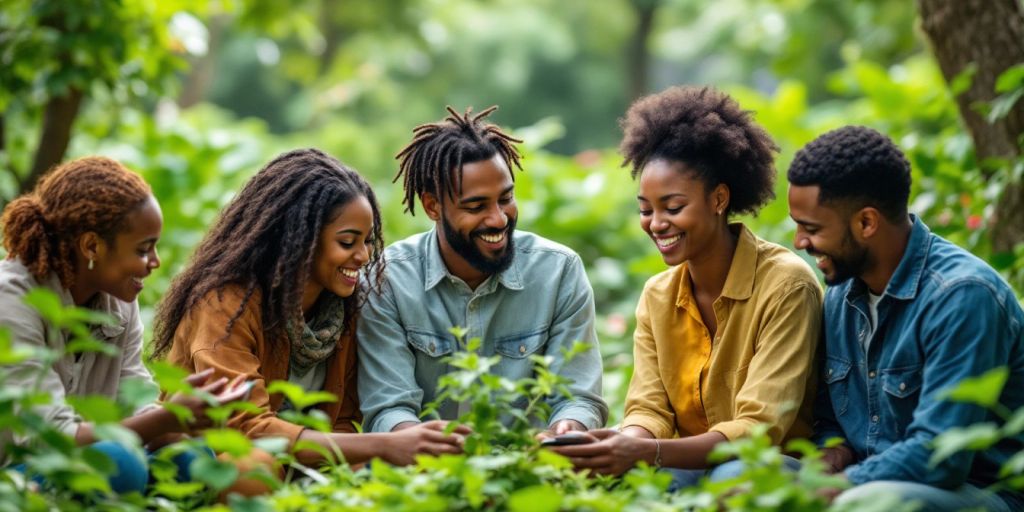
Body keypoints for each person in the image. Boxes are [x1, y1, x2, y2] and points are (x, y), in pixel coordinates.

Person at [551, 86, 822, 488]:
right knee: (627, 483)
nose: (657, 223)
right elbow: (649, 410)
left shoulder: (786, 286)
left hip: (772, 466)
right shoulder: (658, 296)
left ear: (718, 198)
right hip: (688, 465)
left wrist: (650, 452)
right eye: (646, 209)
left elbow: (758, 431)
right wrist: (617, 443)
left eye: (673, 208)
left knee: (732, 475)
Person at [151, 148, 468, 471]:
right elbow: (247, 428)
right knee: (254, 467)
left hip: (301, 472)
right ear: (297, 239)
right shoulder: (226, 305)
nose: (362, 256)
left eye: (368, 241)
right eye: (347, 242)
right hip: (206, 462)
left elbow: (343, 421)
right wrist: (383, 445)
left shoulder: (346, 308)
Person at [787, 125, 1024, 511]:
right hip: (868, 481)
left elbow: (941, 456)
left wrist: (842, 485)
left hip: (978, 492)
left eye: (811, 228)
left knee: (868, 502)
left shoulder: (962, 297)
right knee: (739, 478)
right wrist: (831, 457)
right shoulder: (841, 294)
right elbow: (830, 420)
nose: (798, 242)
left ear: (866, 223)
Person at [356, 106, 608, 435]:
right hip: (424, 472)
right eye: (476, 206)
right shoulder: (387, 281)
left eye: (506, 199)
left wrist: (564, 430)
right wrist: (419, 443)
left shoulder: (559, 271)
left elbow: (576, 396)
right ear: (433, 206)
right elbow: (388, 407)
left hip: (533, 468)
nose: (499, 219)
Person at [0, 157, 243, 494]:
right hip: (17, 473)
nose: (155, 262)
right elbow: (49, 438)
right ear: (92, 246)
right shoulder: (12, 300)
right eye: (144, 249)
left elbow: (134, 399)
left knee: (191, 458)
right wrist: (165, 419)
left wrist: (187, 422)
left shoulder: (118, 300)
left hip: (85, 454)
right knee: (121, 462)